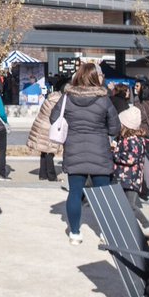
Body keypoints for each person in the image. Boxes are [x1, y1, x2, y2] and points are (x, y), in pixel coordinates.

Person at [54, 63, 120, 245]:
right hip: (99, 150)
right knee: (103, 195)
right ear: (94, 77)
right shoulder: (104, 99)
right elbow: (115, 127)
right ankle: (105, 233)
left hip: (74, 149)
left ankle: (75, 233)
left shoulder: (67, 97)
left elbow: (54, 118)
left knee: (75, 192)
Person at [111, 107, 149, 228]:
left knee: (130, 205)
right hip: (122, 177)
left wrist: (114, 154)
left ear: (126, 126)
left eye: (121, 124)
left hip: (131, 178)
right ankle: (119, 227)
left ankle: (147, 225)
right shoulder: (123, 139)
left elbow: (130, 158)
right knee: (120, 204)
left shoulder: (134, 141)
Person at [28, 75, 67, 182]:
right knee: (50, 152)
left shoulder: (51, 97)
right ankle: (52, 176)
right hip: (49, 128)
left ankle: (42, 174)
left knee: (44, 152)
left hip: (42, 126)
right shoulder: (59, 101)